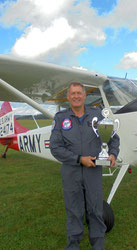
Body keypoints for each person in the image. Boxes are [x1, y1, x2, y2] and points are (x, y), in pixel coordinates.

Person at [50, 81, 120, 250]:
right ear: (68, 97)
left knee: (96, 210)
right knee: (74, 211)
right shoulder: (60, 118)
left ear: (84, 96)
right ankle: (73, 245)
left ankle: (98, 245)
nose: (76, 96)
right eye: (72, 93)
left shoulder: (97, 115)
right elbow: (55, 147)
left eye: (79, 93)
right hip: (71, 172)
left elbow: (113, 138)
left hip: (93, 172)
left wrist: (112, 153)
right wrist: (79, 159)